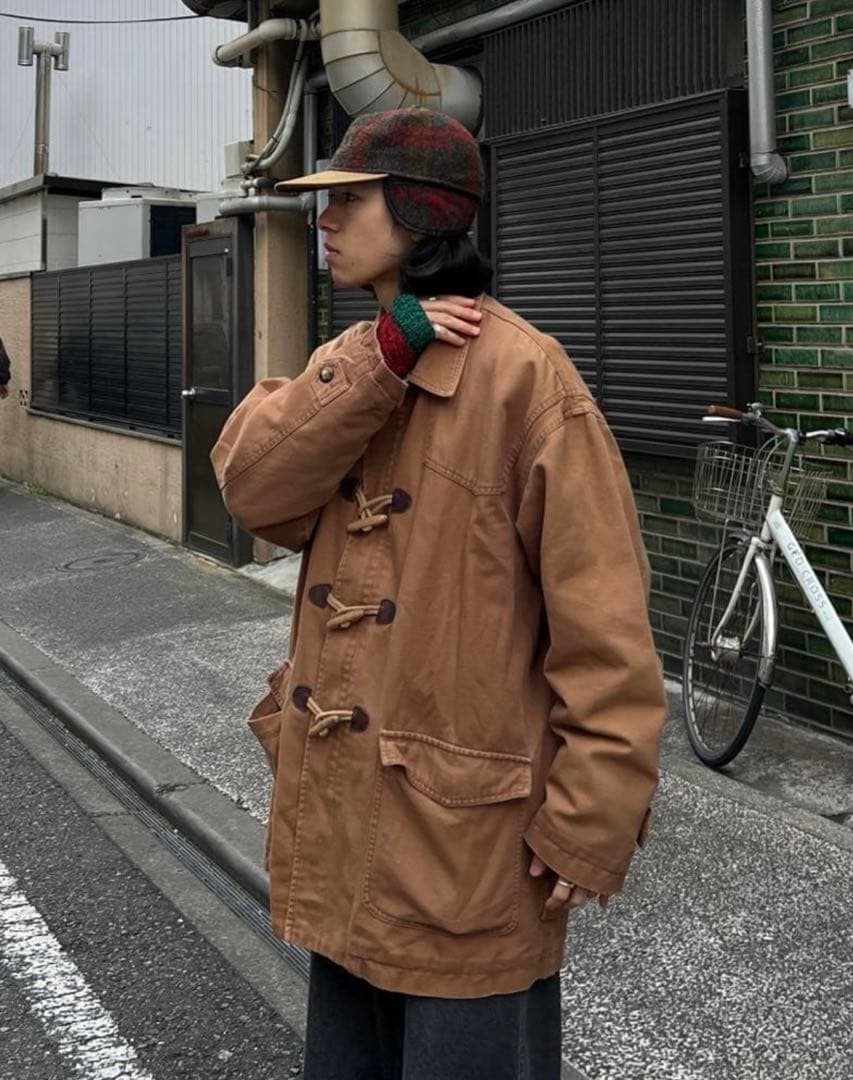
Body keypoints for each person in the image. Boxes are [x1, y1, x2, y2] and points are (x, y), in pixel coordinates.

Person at [211, 107, 666, 1080]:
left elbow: (607, 627)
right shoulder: (363, 357)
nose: (326, 221)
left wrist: (591, 818)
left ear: (420, 212)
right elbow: (252, 490)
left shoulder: (528, 382)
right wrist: (381, 356)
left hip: (468, 853)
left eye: (353, 200)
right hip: (344, 831)